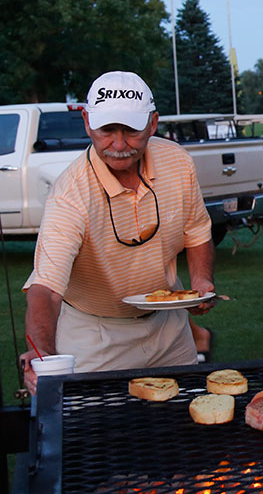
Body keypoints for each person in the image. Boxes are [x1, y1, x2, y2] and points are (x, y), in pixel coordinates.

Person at [20, 71, 215, 394]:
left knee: (182, 422)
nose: (120, 144)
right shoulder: (70, 194)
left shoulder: (177, 163)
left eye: (132, 131)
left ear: (153, 124)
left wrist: (201, 281)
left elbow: (196, 232)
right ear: (87, 122)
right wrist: (43, 354)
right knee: (99, 433)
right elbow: (46, 289)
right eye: (107, 130)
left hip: (169, 327)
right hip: (96, 337)